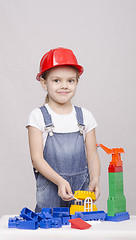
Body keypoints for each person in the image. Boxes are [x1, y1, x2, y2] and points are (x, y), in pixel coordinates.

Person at [27, 47, 100, 212]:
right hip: (50, 198)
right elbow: (36, 159)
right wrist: (60, 181)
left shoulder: (85, 117)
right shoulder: (37, 117)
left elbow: (93, 155)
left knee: (81, 233)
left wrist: (95, 179)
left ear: (77, 82)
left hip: (81, 196)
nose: (64, 86)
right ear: (44, 83)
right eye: (56, 80)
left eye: (70, 80)